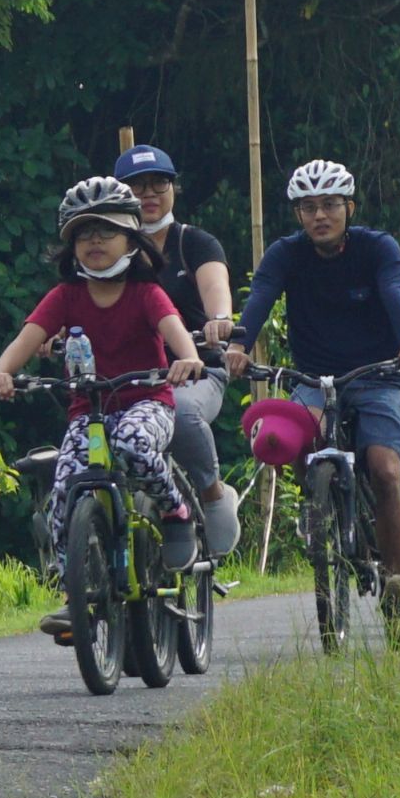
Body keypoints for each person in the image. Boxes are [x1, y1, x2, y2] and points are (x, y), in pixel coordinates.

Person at [0, 177, 204, 628]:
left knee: (131, 441)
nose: (95, 242)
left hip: (149, 404)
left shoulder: (148, 293)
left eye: (106, 231)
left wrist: (188, 360)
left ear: (132, 238)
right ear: (70, 245)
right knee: (63, 489)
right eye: (84, 234)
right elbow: (26, 340)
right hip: (89, 412)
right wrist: (1, 372)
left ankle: (173, 510)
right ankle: (79, 592)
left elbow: (179, 338)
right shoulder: (66, 297)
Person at [229, 158, 400, 635]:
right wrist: (238, 345)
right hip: (313, 378)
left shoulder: (378, 248)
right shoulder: (285, 254)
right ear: (298, 214)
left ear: (349, 207)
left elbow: (392, 292)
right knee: (293, 442)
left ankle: (395, 577)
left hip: (380, 376)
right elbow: (261, 295)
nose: (320, 215)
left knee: (384, 470)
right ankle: (321, 508)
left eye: (330, 205)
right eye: (308, 207)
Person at [119, 143, 245, 564]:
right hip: (126, 379)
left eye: (159, 183)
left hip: (195, 374)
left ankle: (211, 493)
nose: (148, 194)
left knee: (181, 412)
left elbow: (216, 290)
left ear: (174, 189)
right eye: (136, 186)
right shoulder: (109, 249)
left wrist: (220, 319)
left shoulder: (194, 243)